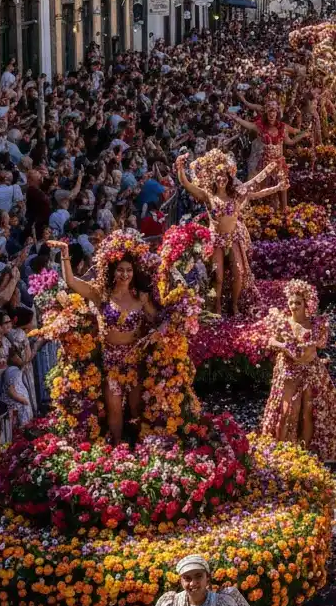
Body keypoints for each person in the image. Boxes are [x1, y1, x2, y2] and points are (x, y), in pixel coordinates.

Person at [47, 233, 159, 444]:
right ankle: (118, 449)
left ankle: (140, 449)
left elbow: (159, 321)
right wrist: (65, 254)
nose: (125, 274)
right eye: (120, 270)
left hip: (135, 362)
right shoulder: (101, 295)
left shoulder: (141, 298)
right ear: (113, 272)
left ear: (134, 273)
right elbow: (71, 281)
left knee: (136, 409)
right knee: (114, 411)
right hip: (112, 365)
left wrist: (157, 332)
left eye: (129, 270)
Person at [260, 280, 336, 463]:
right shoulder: (283, 323)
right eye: (291, 302)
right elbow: (271, 341)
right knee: (287, 411)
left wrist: (310, 344)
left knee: (309, 411)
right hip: (288, 371)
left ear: (306, 304)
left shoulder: (316, 324)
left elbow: (321, 344)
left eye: (298, 303)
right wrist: (284, 346)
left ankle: (305, 450)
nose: (293, 306)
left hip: (310, 372)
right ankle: (284, 449)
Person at [175, 151, 282, 315]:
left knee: (239, 272)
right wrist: (180, 168)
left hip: (233, 238)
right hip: (216, 239)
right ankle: (217, 306)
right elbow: (186, 184)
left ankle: (234, 305)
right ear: (213, 178)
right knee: (218, 277)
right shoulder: (207, 196)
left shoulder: (236, 195)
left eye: (224, 175)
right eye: (217, 176)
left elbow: (254, 183)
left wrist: (272, 165)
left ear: (229, 177)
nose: (221, 179)